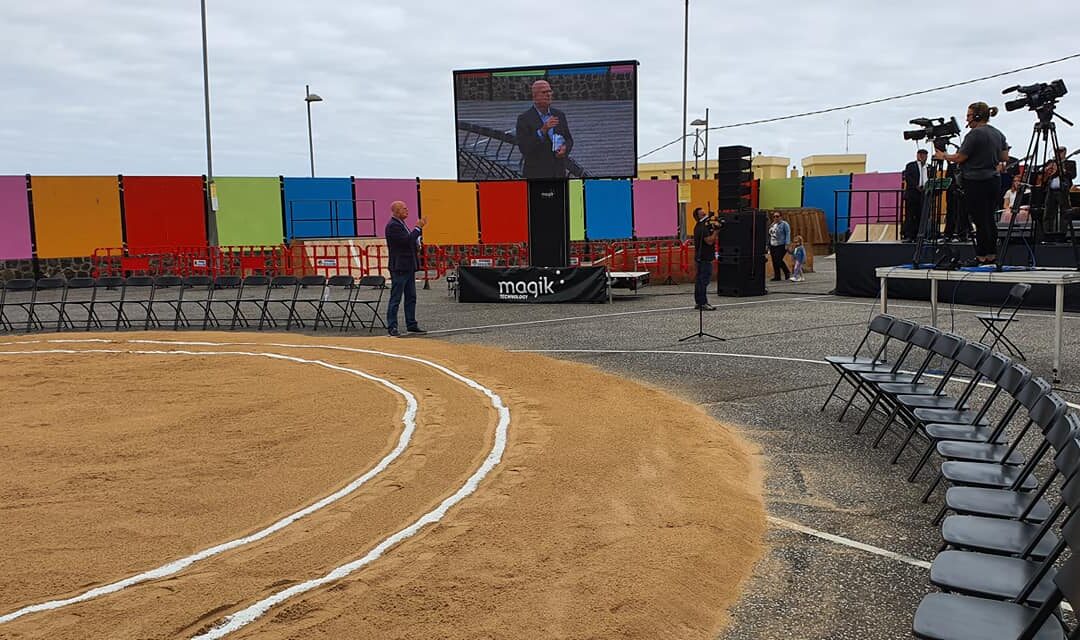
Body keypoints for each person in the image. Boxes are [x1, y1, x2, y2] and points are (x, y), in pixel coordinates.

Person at [935, 101, 1008, 264]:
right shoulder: (998, 133)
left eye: (968, 115)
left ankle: (982, 256)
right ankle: (992, 254)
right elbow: (1004, 157)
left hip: (976, 181)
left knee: (980, 220)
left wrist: (944, 156)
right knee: (989, 218)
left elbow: (960, 157)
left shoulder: (974, 134)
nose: (967, 119)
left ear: (976, 116)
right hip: (994, 181)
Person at [383, 200, 427, 337]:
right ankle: (392, 326)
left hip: (408, 266)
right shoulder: (393, 226)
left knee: (411, 296)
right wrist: (418, 228)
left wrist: (416, 245)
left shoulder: (402, 224)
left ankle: (411, 324)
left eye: (406, 208)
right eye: (403, 208)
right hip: (399, 267)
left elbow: (409, 242)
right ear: (395, 211)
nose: (407, 210)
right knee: (396, 297)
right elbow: (406, 241)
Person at [515, 80, 574, 179]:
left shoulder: (559, 115)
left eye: (550, 91)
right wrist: (543, 130)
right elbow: (524, 148)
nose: (548, 95)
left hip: (558, 172)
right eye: (544, 92)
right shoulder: (524, 118)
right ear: (534, 96)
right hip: (536, 174)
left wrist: (565, 149)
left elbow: (569, 139)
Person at [1042, 146, 1076, 238]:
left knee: (1065, 213)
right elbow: (1042, 172)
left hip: (1063, 191)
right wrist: (1048, 169)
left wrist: (1062, 170)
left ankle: (1064, 234)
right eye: (1056, 151)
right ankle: (1047, 234)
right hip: (1051, 190)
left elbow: (1073, 175)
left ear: (1065, 152)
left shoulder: (1070, 163)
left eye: (1060, 151)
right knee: (1048, 212)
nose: (1058, 153)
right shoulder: (1050, 163)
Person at [692, 207, 718, 310]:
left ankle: (698, 302)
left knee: (699, 281)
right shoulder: (702, 228)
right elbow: (710, 241)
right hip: (704, 258)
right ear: (699, 216)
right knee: (703, 281)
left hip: (699, 257)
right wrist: (716, 231)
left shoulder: (698, 227)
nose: (706, 216)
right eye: (704, 214)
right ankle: (703, 302)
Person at [902, 149, 931, 242]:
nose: (922, 157)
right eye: (921, 155)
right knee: (910, 216)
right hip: (912, 194)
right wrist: (916, 186)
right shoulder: (911, 166)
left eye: (924, 155)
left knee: (921, 215)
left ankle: (921, 235)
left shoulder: (929, 167)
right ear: (917, 155)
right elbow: (908, 178)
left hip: (924, 195)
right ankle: (909, 235)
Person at [767, 211, 791, 281]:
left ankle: (787, 272)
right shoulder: (772, 225)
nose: (775, 218)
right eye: (774, 216)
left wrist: (787, 244)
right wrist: (768, 245)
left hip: (781, 244)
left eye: (777, 216)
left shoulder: (784, 224)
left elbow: (788, 234)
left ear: (781, 217)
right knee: (774, 261)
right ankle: (777, 276)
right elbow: (770, 235)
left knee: (778, 260)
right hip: (772, 244)